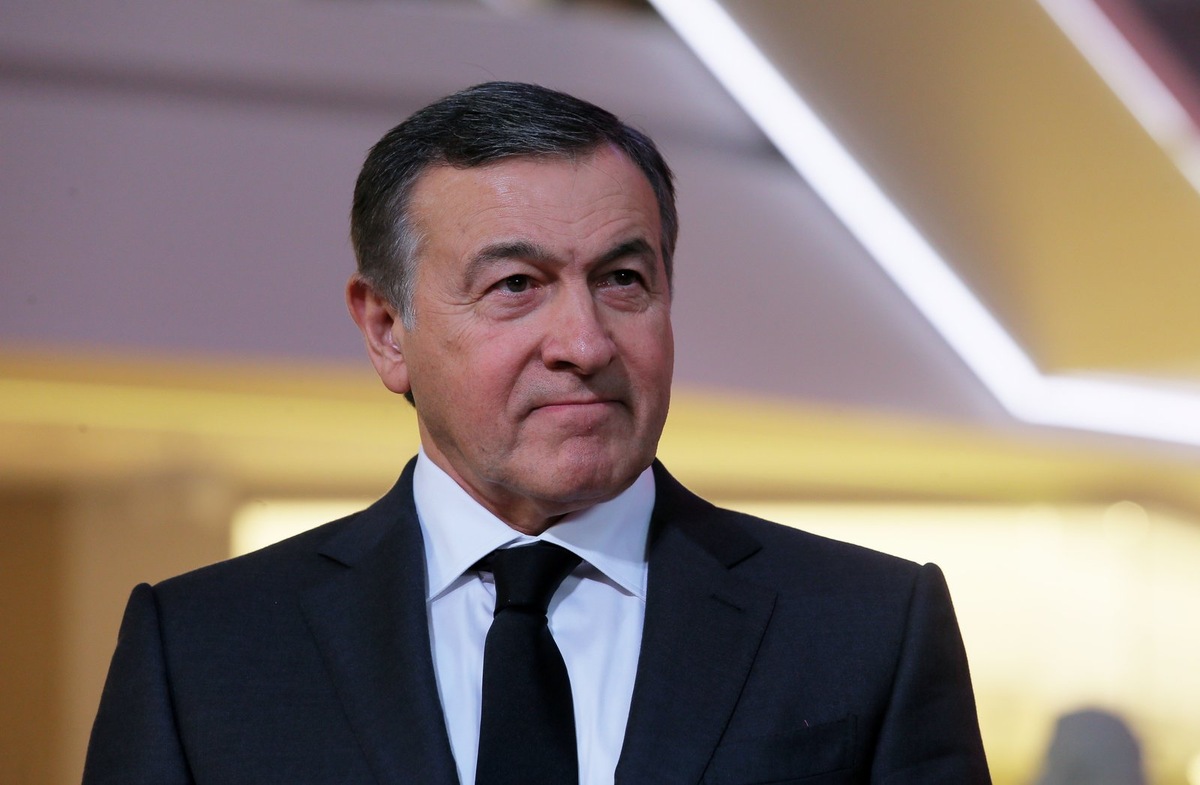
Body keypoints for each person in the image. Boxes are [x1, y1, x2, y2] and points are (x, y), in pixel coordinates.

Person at [83, 81, 991, 784]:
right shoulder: (204, 649)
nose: (585, 343)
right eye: (516, 285)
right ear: (387, 330)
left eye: (623, 279)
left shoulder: (866, 627)